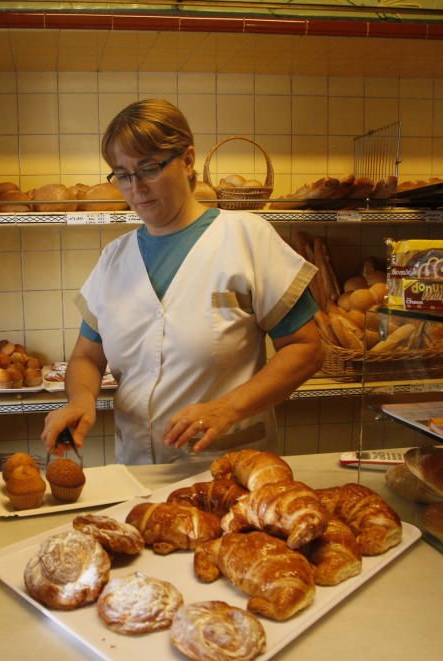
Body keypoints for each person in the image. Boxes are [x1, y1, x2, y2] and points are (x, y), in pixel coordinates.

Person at [41, 99, 324, 465]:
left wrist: (228, 408)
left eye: (148, 168)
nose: (136, 188)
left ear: (188, 160)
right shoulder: (115, 259)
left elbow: (307, 349)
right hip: (137, 469)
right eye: (123, 174)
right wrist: (81, 401)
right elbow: (86, 357)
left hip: (228, 468)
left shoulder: (246, 238)